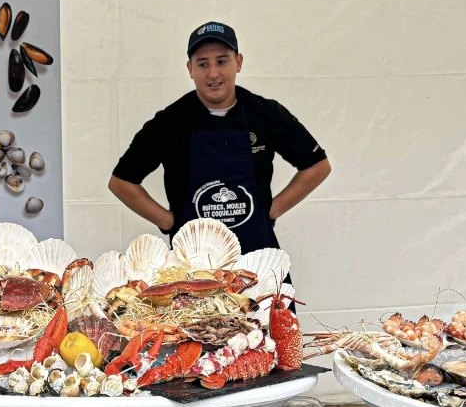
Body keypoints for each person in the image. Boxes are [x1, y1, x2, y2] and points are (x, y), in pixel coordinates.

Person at [109, 22, 331, 255]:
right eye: (203, 64)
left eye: (222, 61)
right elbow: (121, 182)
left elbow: (317, 166)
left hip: (256, 254)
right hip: (192, 264)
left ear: (238, 62)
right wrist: (168, 222)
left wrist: (270, 212)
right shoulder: (170, 122)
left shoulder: (266, 114)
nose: (213, 73)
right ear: (190, 69)